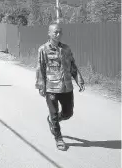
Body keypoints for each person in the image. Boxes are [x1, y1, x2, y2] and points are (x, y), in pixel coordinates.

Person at [35, 22, 85, 151]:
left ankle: (53, 121)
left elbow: (72, 65)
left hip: (67, 87)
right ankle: (58, 138)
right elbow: (40, 68)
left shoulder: (66, 49)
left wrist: (79, 80)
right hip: (51, 87)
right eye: (55, 32)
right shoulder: (43, 49)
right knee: (54, 114)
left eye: (60, 32)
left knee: (68, 113)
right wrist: (41, 86)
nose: (58, 34)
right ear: (49, 33)